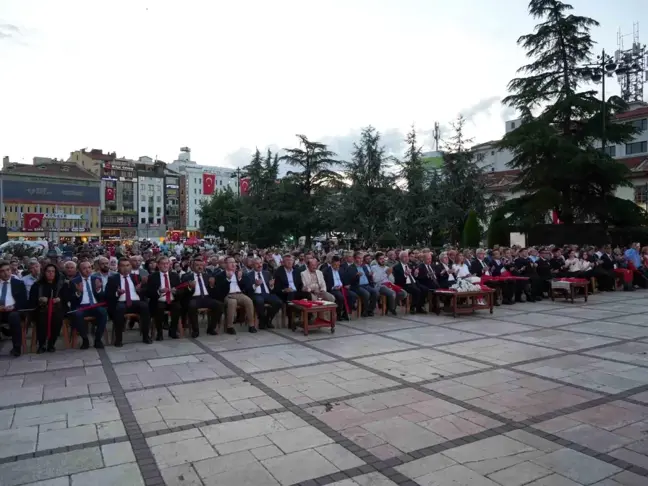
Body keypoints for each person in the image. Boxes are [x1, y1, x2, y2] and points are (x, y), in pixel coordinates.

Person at [106, 258, 152, 347]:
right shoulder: (113, 279)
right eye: (123, 266)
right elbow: (108, 294)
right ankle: (118, 339)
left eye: (127, 265)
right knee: (119, 308)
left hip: (136, 301)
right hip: (121, 301)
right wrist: (117, 292)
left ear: (130, 266)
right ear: (118, 267)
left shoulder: (135, 277)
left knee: (145, 306)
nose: (125, 268)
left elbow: (145, 291)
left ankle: (146, 336)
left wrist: (140, 289)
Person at [67, 261, 108, 349]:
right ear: (79, 270)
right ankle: (85, 339)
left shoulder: (96, 279)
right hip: (81, 306)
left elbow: (102, 297)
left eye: (89, 267)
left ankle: (98, 339)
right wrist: (78, 292)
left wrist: (98, 289)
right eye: (84, 268)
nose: (87, 270)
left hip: (94, 305)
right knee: (77, 315)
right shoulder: (74, 281)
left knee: (103, 312)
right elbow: (71, 299)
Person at [181, 257, 223, 337]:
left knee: (219, 305)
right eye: (197, 265)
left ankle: (211, 328)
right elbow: (183, 293)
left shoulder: (207, 276)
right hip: (194, 298)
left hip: (206, 298)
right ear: (192, 267)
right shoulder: (186, 276)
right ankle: (195, 330)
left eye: (201, 265)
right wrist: (190, 288)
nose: (200, 267)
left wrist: (212, 286)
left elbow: (213, 292)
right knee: (192, 306)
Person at [29, 263, 66, 353]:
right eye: (48, 271)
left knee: (57, 319)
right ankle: (41, 344)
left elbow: (66, 297)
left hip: (56, 308)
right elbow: (31, 299)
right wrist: (40, 299)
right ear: (44, 272)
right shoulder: (37, 285)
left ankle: (51, 343)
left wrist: (59, 299)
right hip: (41, 309)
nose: (51, 273)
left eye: (53, 271)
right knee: (41, 318)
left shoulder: (60, 284)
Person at [216, 256, 255, 334]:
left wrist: (240, 279)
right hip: (227, 295)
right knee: (232, 302)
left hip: (239, 294)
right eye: (231, 262)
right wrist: (228, 279)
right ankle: (230, 327)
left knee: (249, 301)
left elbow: (246, 287)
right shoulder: (220, 275)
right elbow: (220, 290)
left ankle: (251, 325)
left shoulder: (238, 273)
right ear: (225, 264)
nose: (233, 264)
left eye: (234, 262)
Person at [146, 256, 181, 340]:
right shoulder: (152, 276)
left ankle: (172, 331)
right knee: (159, 308)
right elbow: (148, 293)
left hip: (172, 299)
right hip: (159, 300)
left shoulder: (175, 275)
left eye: (167, 264)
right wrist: (159, 291)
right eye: (163, 264)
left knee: (177, 307)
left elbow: (181, 290)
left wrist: (176, 291)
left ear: (169, 265)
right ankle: (159, 333)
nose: (165, 266)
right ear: (158, 265)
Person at [0, 261, 28, 356]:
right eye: (2, 271)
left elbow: (23, 301)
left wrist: (13, 306)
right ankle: (5, 331)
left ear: (11, 270)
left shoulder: (18, 283)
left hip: (15, 311)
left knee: (13, 316)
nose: (6, 273)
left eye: (8, 270)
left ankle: (16, 348)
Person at [248, 257, 282, 330]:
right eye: (257, 264)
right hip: (256, 294)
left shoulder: (267, 273)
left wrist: (271, 285)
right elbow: (247, 290)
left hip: (267, 294)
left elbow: (271, 289)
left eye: (260, 263)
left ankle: (267, 319)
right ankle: (262, 320)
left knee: (278, 302)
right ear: (253, 265)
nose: (259, 265)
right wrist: (255, 285)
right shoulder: (249, 275)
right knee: (259, 301)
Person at [323, 256, 356, 321]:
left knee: (353, 295)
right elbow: (325, 283)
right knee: (340, 297)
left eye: (338, 265)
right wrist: (333, 287)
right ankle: (338, 315)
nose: (337, 266)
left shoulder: (341, 269)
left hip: (342, 288)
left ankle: (345, 313)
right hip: (332, 289)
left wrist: (346, 285)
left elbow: (344, 279)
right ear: (332, 263)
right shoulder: (326, 271)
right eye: (335, 265)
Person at [348, 252, 378, 317]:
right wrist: (356, 276)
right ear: (355, 259)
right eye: (359, 258)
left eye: (362, 258)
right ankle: (364, 311)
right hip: (357, 286)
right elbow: (350, 280)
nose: (361, 260)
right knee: (366, 294)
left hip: (366, 285)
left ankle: (370, 310)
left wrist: (370, 275)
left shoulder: (364, 266)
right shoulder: (351, 267)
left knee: (375, 292)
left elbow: (368, 276)